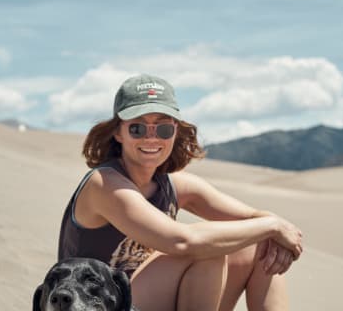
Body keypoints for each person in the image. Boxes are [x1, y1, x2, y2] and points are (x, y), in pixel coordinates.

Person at [58, 74, 303, 311]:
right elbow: (183, 242)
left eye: (163, 129)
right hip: (94, 302)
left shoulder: (174, 185)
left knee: (257, 243)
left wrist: (272, 229)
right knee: (207, 252)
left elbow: (254, 219)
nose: (151, 138)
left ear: (175, 131)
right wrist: (273, 226)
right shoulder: (105, 184)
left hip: (143, 297)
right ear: (117, 132)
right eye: (137, 129)